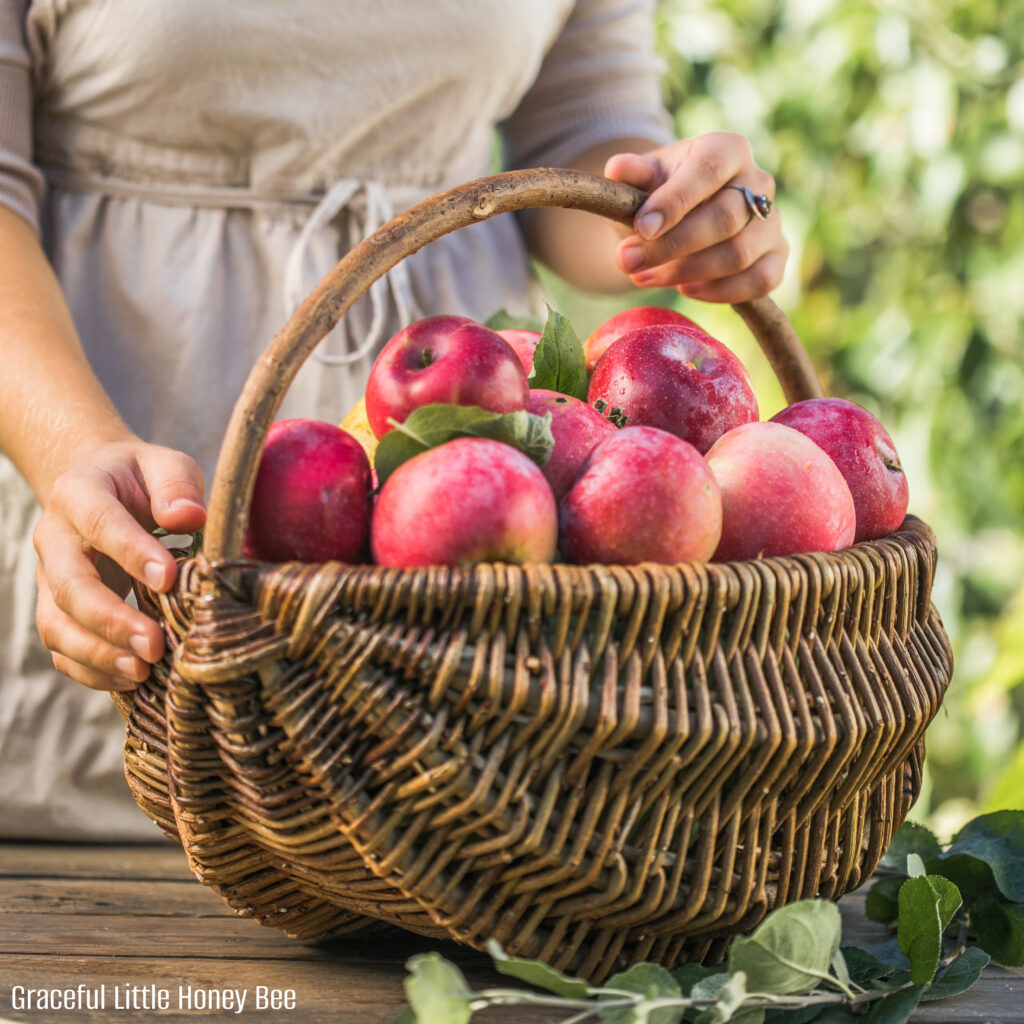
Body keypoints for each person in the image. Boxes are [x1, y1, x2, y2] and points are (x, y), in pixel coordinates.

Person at [0, 0, 788, 840]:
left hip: (466, 644)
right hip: (126, 466)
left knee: (460, 854)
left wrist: (675, 213)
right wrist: (76, 450)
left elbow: (578, 134)